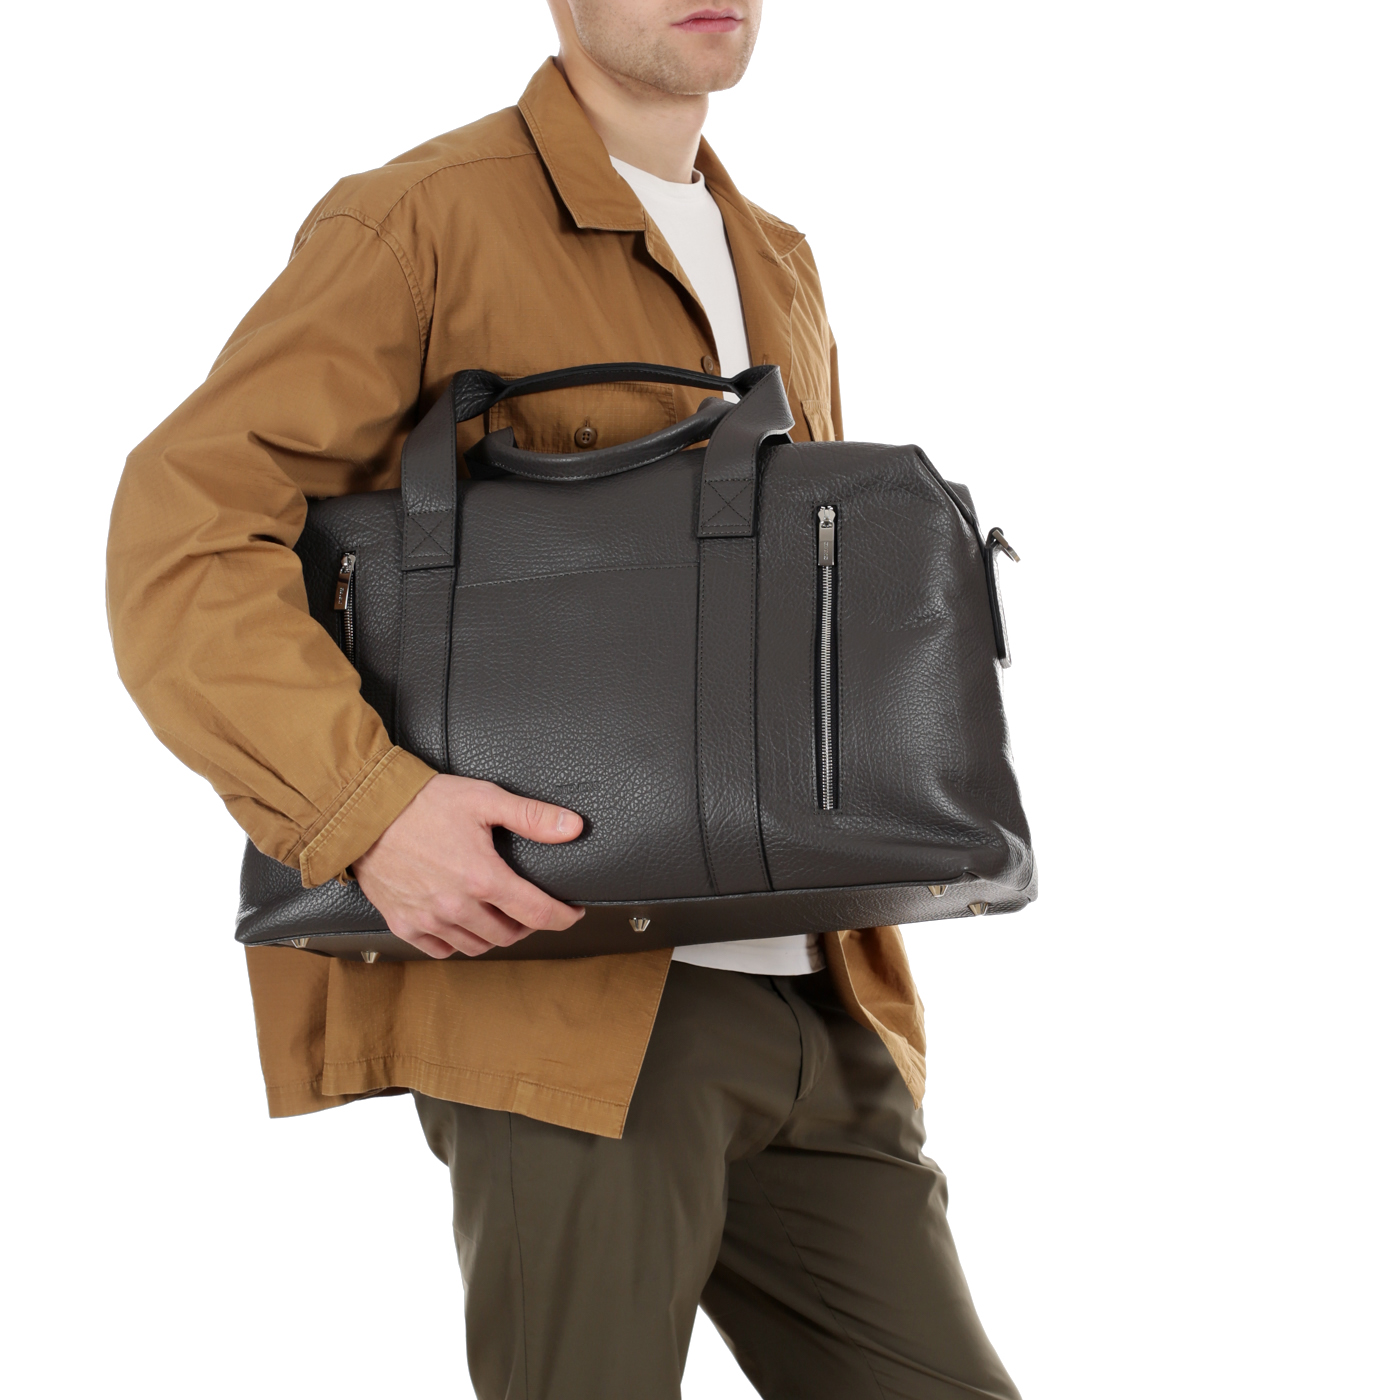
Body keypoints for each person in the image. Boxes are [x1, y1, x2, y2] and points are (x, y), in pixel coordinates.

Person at [107, 3, 1021, 1395]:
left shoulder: (778, 258)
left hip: (817, 995)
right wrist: (367, 811)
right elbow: (182, 536)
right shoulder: (418, 222)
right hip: (562, 998)